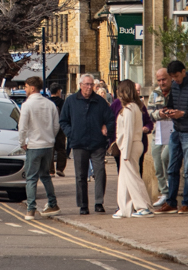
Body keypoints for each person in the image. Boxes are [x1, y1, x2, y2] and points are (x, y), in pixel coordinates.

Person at [153, 60, 188, 214]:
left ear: (184, 72)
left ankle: (187, 203)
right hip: (176, 131)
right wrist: (168, 111)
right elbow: (171, 104)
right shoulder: (175, 86)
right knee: (172, 168)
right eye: (172, 77)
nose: (175, 80)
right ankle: (171, 202)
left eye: (176, 76)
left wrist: (183, 113)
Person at [59, 74, 115, 215]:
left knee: (100, 172)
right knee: (81, 175)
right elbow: (63, 121)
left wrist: (106, 129)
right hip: (79, 143)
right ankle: (83, 205)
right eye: (86, 84)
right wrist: (71, 133)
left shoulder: (100, 102)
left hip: (97, 143)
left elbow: (110, 119)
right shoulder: (71, 101)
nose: (89, 87)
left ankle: (98, 202)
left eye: (91, 85)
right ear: (80, 85)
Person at [18, 76, 60, 217]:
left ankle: (31, 209)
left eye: (25, 87)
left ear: (32, 88)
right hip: (48, 145)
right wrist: (50, 138)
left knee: (31, 178)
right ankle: (52, 204)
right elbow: (56, 125)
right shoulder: (50, 104)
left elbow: (22, 127)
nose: (25, 90)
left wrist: (22, 142)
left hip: (34, 145)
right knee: (45, 176)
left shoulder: (27, 105)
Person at [112, 80, 154, 218]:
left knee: (133, 178)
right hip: (130, 145)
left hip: (130, 145)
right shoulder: (135, 106)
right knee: (124, 178)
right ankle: (124, 208)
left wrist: (125, 151)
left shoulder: (130, 109)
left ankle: (143, 206)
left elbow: (128, 132)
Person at [147, 68, 173, 205]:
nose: (161, 82)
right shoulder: (155, 94)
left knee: (166, 157)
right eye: (159, 80)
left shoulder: (176, 91)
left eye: (164, 79)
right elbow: (150, 113)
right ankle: (164, 192)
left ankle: (170, 190)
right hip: (158, 132)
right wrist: (160, 114)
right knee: (157, 163)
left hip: (173, 131)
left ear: (170, 78)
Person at [46, 81, 68, 177]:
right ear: (59, 91)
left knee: (50, 149)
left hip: (48, 128)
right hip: (60, 128)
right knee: (61, 149)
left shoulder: (47, 102)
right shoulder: (63, 103)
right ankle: (60, 168)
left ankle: (51, 171)